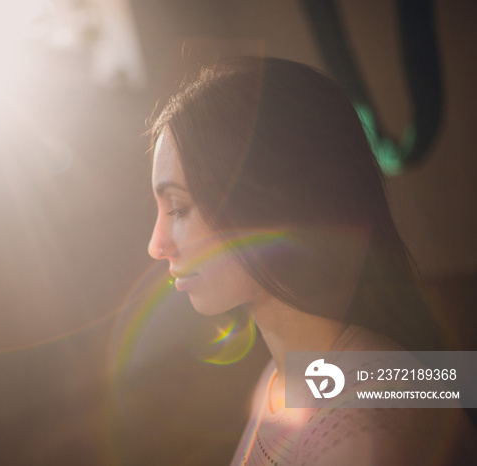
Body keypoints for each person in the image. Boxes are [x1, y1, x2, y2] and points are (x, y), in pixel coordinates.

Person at [146, 57, 475, 465]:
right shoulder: (284, 377)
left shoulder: (369, 422)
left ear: (271, 204)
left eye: (177, 208)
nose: (156, 245)